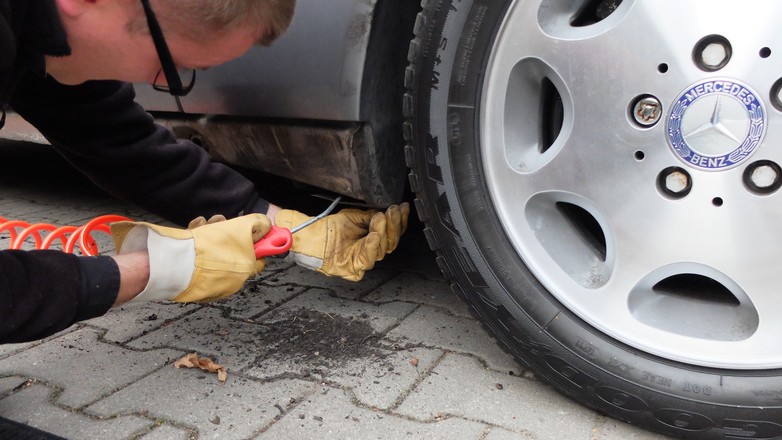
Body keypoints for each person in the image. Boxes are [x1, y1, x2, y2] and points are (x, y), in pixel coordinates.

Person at [0, 0, 409, 344]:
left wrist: (280, 224)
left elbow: (116, 138)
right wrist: (154, 270)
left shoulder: (47, 33)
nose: (150, 82)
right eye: (172, 66)